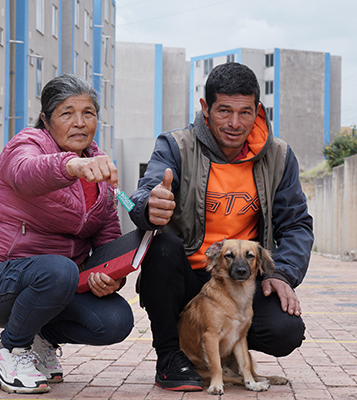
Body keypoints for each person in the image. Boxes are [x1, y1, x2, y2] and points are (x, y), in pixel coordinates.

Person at [128, 62, 314, 391]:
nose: (234, 123)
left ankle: (224, 353)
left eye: (245, 112)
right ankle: (170, 355)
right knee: (163, 248)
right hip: (189, 276)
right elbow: (142, 195)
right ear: (205, 108)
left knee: (286, 330)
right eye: (224, 110)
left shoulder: (280, 155)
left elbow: (297, 224)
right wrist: (148, 206)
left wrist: (282, 272)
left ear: (258, 109)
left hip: (240, 275)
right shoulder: (175, 145)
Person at [0, 74, 134, 394]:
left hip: (55, 284)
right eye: (67, 113)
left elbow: (107, 238)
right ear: (46, 119)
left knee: (116, 320)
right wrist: (72, 167)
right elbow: (27, 173)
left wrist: (112, 278)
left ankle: (41, 339)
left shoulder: (99, 171)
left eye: (88, 113)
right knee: (59, 269)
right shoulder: (25, 146)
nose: (79, 122)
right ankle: (10, 352)